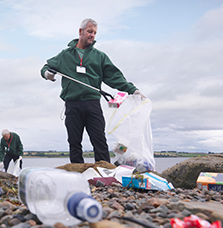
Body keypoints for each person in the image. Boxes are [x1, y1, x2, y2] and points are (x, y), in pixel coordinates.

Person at [40, 18, 145, 164]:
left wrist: (133, 90)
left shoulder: (99, 56)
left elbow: (115, 77)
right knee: (74, 142)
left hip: (93, 104)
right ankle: (77, 174)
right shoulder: (65, 55)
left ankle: (105, 173)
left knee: (99, 140)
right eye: (90, 31)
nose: (92, 35)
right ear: (80, 31)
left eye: (95, 33)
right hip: (72, 104)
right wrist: (47, 74)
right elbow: (46, 67)